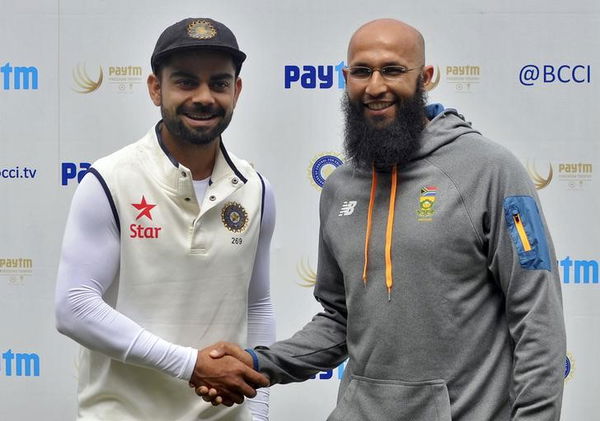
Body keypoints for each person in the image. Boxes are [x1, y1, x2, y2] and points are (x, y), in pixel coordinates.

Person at [200, 18, 566, 420]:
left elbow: (537, 318)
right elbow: (340, 321)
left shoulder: (491, 171)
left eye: (392, 70)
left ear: (425, 77)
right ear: (345, 79)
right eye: (361, 72)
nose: (375, 87)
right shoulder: (340, 186)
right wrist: (257, 363)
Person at [55, 17, 274, 420]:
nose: (204, 97)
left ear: (236, 91)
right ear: (156, 88)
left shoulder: (255, 188)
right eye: (186, 82)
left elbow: (256, 304)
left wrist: (257, 412)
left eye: (220, 83)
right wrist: (191, 365)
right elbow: (74, 307)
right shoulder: (109, 179)